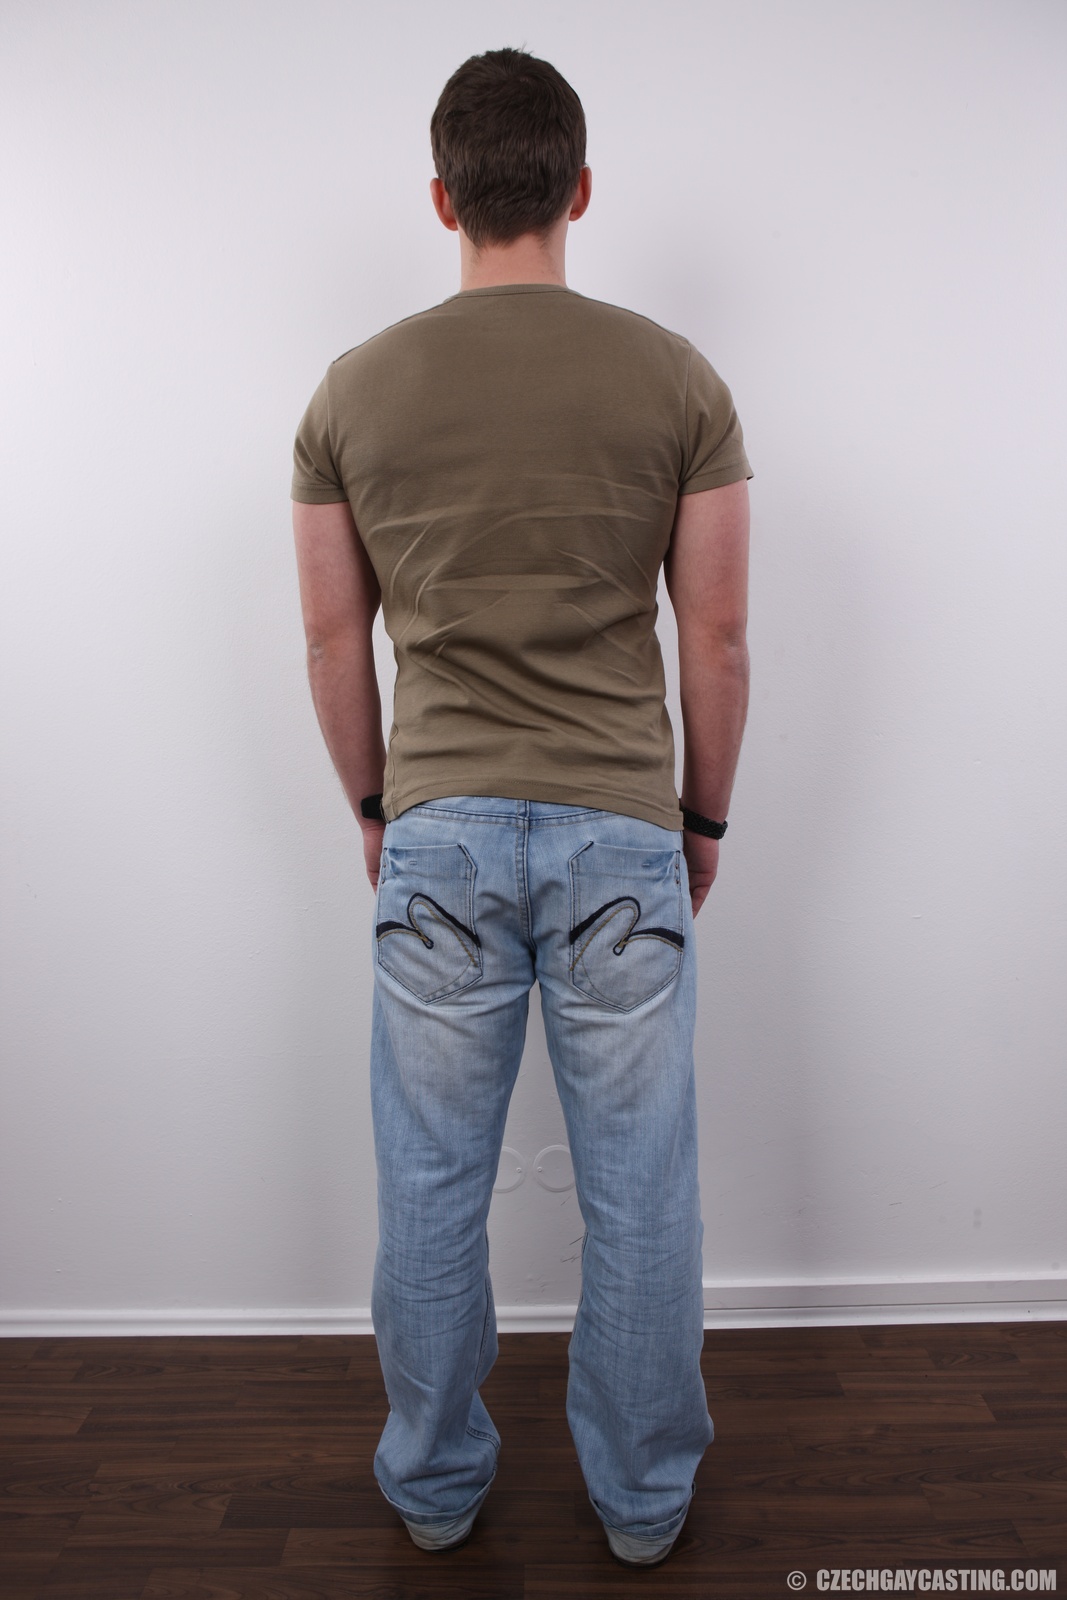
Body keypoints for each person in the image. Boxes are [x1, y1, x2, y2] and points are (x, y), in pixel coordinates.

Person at [290, 46, 752, 1570]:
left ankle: (433, 1487)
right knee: (642, 1194)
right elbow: (716, 638)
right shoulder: (677, 380)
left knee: (430, 1185)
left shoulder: (353, 391)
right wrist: (701, 823)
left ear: (443, 198)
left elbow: (330, 639)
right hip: (622, 828)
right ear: (580, 188)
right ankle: (643, 1502)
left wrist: (378, 802)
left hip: (437, 831)